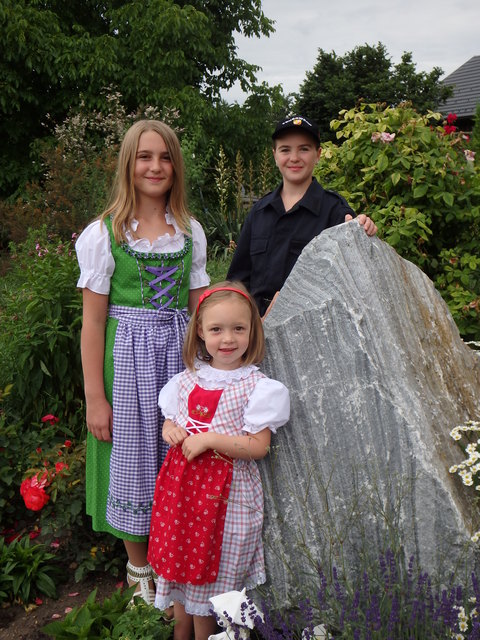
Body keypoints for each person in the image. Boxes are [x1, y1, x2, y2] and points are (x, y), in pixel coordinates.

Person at [75, 120, 210, 604]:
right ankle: (138, 571)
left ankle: (174, 562)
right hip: (126, 362)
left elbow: (199, 311)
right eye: (144, 157)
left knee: (176, 456)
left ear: (176, 166)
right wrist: (95, 396)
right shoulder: (104, 233)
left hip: (176, 359)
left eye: (165, 157)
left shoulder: (189, 231)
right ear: (128, 165)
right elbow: (92, 323)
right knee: (130, 458)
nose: (155, 166)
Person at [147, 282, 290, 640]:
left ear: (252, 331)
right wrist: (170, 429)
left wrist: (210, 440)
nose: (228, 339)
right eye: (216, 329)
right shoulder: (187, 378)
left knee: (210, 591)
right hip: (182, 498)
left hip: (224, 501)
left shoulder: (256, 386)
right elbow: (172, 419)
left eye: (238, 329)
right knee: (182, 581)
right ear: (200, 331)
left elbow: (258, 446)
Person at [227, 115, 378, 316]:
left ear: (318, 154)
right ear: (274, 155)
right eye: (285, 150)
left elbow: (352, 274)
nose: (294, 158)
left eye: (304, 149)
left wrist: (364, 228)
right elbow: (237, 281)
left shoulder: (334, 211)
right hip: (256, 330)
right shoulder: (259, 212)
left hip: (308, 329)